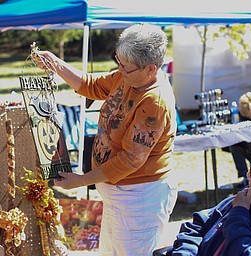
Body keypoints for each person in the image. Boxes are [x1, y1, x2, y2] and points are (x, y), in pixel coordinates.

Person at [32, 24, 178, 256]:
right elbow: (92, 85)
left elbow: (129, 160)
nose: (120, 70)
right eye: (118, 62)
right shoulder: (129, 76)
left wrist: (81, 181)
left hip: (138, 199)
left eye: (126, 67)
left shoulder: (154, 101)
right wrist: (56, 64)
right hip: (119, 194)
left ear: (150, 69)